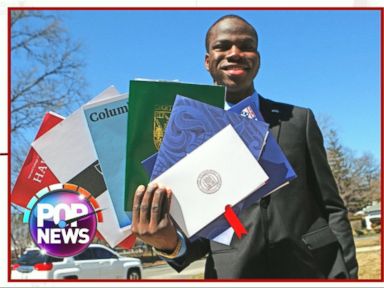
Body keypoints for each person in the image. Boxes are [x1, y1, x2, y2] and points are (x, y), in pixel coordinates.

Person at [131, 14, 358, 279]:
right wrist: (168, 243)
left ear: (258, 59)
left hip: (313, 270)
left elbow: (331, 207)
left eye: (246, 45)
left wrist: (349, 274)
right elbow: (198, 238)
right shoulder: (184, 135)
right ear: (207, 61)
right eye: (222, 46)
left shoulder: (299, 120)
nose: (235, 53)